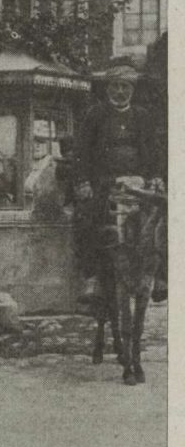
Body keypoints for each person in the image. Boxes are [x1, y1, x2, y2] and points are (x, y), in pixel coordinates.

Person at [74, 60, 164, 304]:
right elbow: (81, 151)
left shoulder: (143, 116)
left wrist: (155, 177)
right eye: (115, 86)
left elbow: (156, 152)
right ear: (107, 88)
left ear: (132, 90)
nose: (120, 91)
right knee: (86, 217)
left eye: (125, 86)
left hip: (140, 185)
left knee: (163, 220)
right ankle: (91, 277)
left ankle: (160, 277)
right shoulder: (96, 115)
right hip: (105, 183)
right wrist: (83, 182)